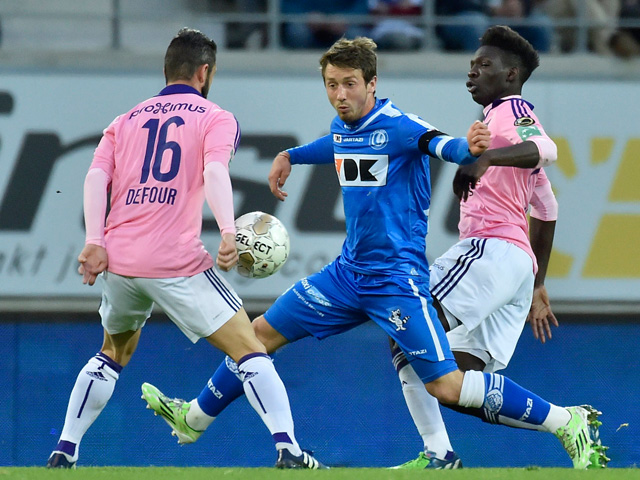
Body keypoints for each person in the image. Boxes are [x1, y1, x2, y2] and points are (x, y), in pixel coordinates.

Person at [142, 36, 603, 470]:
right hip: (346, 276)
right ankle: (194, 419)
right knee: (256, 335)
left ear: (371, 84)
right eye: (331, 85)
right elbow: (340, 145)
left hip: (396, 283)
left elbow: (439, 143)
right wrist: (292, 155)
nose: (340, 94)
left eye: (349, 84)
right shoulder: (345, 128)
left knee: (446, 384)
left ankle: (564, 421)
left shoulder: (400, 126)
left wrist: (471, 152)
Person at [46, 28, 325, 470]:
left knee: (112, 353)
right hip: (174, 261)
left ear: (166, 71)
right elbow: (215, 171)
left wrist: (94, 242)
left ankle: (64, 450)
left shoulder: (124, 120)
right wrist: (230, 232)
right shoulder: (216, 117)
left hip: (120, 260)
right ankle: (288, 448)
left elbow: (96, 178)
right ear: (205, 71)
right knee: (250, 347)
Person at [389, 25, 606, 470]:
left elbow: (545, 147)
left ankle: (438, 453)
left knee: (406, 323)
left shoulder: (512, 110)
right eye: (471, 64)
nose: (472, 71)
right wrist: (539, 283)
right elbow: (547, 207)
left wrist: (482, 159)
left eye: (484, 65)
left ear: (510, 75)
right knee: (450, 381)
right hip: (515, 268)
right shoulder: (499, 132)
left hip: (489, 252)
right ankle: (566, 421)